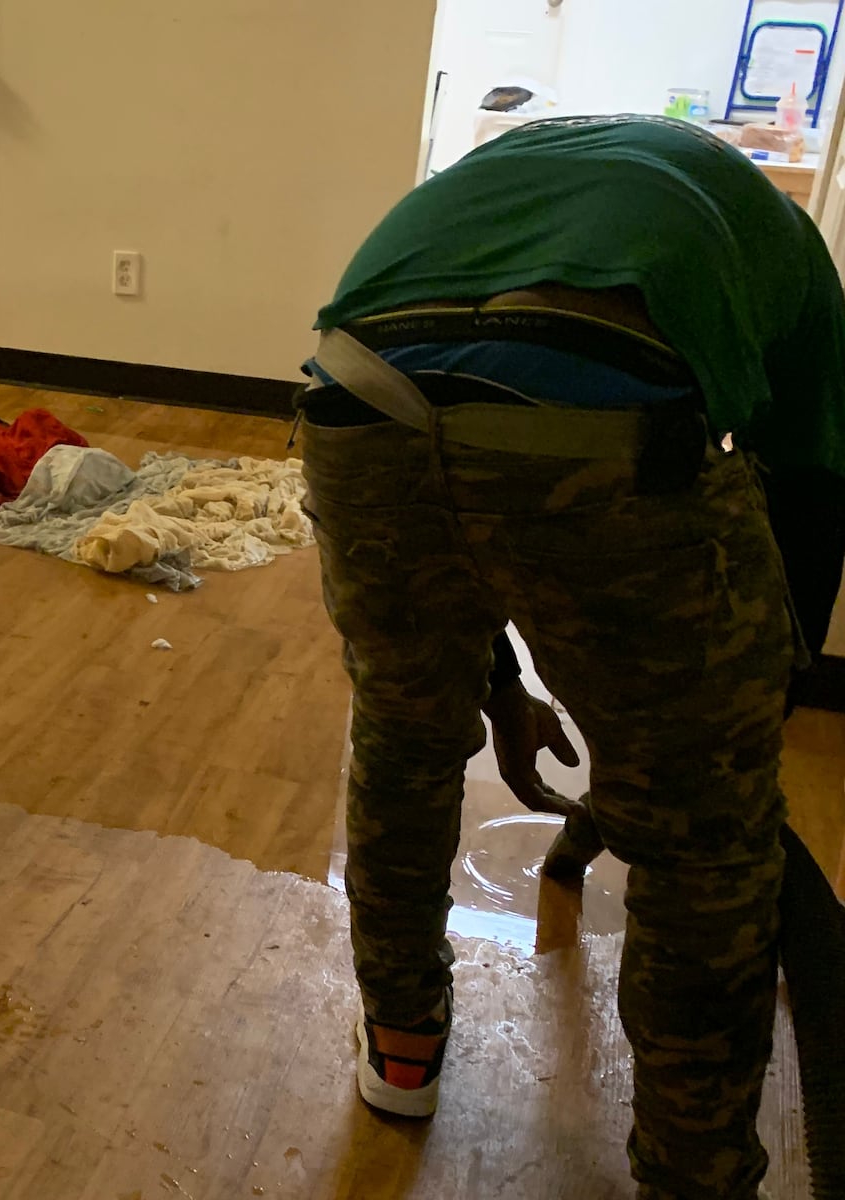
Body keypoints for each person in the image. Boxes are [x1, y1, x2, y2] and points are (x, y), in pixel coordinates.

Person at [299, 114, 845, 1199]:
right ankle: (691, 1171)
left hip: (355, 399)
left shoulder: (482, 187)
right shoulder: (776, 238)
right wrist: (746, 712)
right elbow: (816, 477)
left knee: (405, 740)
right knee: (702, 849)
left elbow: (458, 435)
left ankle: (399, 1047)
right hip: (606, 412)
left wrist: (489, 683)